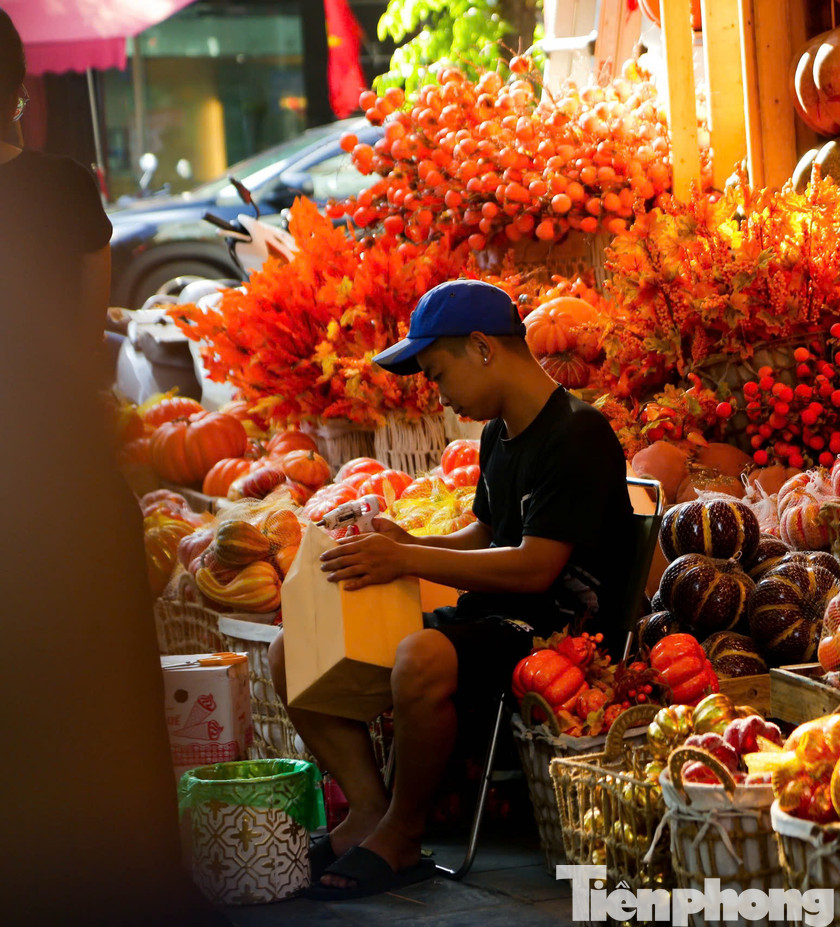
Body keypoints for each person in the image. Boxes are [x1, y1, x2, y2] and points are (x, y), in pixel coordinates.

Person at [269, 279, 633, 900]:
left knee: (421, 655)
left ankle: (403, 835)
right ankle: (368, 811)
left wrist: (404, 558)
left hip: (560, 638)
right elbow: (482, 536)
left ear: (482, 348)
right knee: (291, 648)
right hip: (491, 622)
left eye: (438, 374)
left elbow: (535, 568)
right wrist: (400, 539)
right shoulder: (497, 435)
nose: (439, 394)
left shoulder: (578, 434)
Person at [0, 11, 226, 925]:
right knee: (101, 680)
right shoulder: (64, 192)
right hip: (69, 467)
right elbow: (87, 347)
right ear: (21, 90)